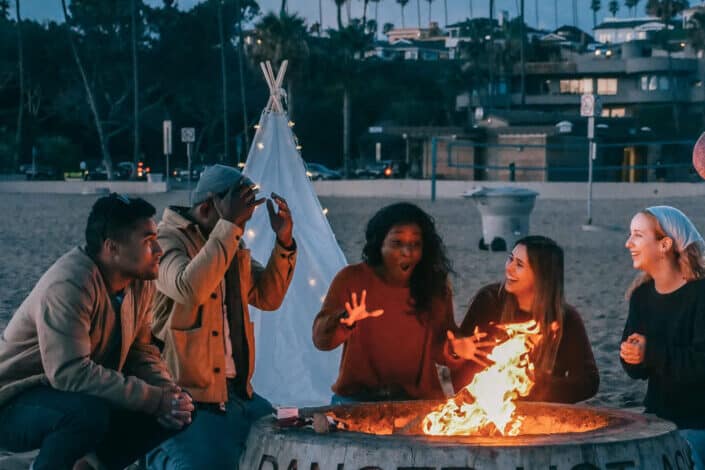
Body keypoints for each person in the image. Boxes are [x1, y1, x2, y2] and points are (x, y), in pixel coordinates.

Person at [0, 193, 193, 470]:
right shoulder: (69, 285)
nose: (159, 250)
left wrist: (167, 393)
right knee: (86, 415)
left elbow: (141, 350)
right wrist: (153, 400)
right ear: (112, 247)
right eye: (148, 241)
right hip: (14, 401)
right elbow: (70, 373)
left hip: (71, 394)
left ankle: (89, 466)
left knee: (183, 409)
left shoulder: (139, 280)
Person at [147, 164, 297, 469]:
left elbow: (268, 297)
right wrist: (228, 226)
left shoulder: (231, 243)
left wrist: (284, 242)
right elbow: (188, 287)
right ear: (206, 208)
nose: (242, 224)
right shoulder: (164, 241)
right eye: (238, 213)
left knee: (295, 448)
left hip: (239, 395)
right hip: (185, 398)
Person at [313, 202, 467, 402]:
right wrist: (345, 320)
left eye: (415, 244)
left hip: (416, 402)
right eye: (397, 243)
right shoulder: (352, 279)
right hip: (357, 399)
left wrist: (456, 350)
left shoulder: (435, 287)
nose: (407, 252)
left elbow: (441, 348)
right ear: (379, 244)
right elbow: (320, 341)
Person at [455, 235, 599, 403]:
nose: (509, 268)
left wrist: (539, 386)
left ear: (541, 275)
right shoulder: (489, 302)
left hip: (539, 413)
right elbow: (460, 365)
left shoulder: (565, 319)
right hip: (484, 407)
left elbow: (588, 381)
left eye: (519, 265)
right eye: (510, 259)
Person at [620, 206, 705, 468]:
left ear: (665, 244)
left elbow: (700, 365)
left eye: (637, 235)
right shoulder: (641, 296)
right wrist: (633, 357)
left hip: (698, 421)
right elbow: (636, 372)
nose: (628, 243)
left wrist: (651, 351)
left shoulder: (700, 294)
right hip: (657, 418)